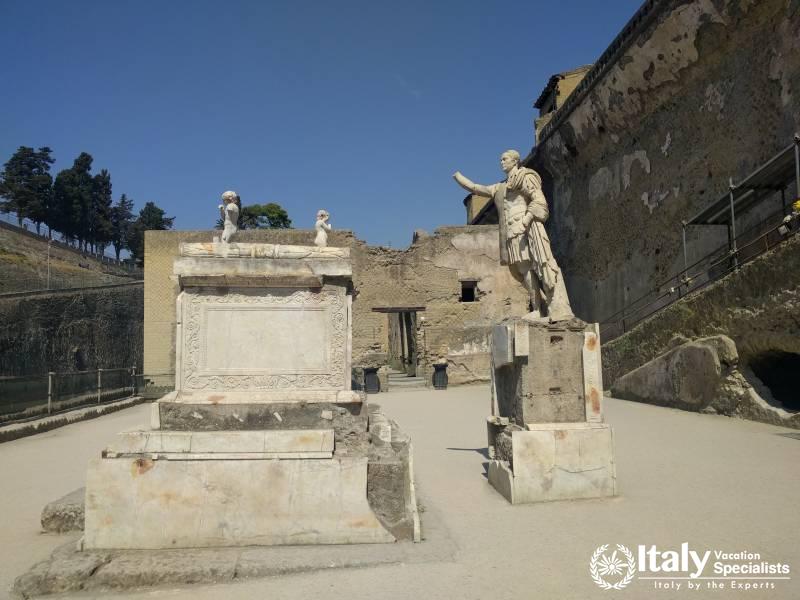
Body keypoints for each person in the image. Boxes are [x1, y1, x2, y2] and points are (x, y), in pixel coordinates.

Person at [453, 150, 574, 322]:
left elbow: (538, 200)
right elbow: (475, 188)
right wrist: (458, 177)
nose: (501, 162)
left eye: (505, 159)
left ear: (515, 161)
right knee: (524, 269)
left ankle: (555, 305)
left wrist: (527, 218)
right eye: (500, 159)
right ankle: (538, 308)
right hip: (512, 233)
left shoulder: (526, 177)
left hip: (527, 228)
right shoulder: (501, 188)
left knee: (540, 265)